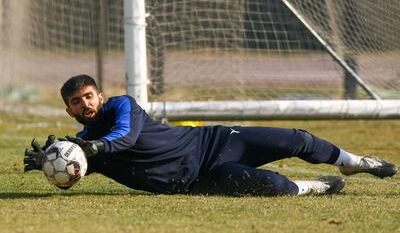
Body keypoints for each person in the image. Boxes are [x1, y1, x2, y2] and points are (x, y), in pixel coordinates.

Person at [24, 74, 397, 196]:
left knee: (298, 139)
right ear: (69, 110)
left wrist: (91, 146)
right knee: (276, 187)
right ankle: (317, 187)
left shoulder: (124, 106)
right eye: (77, 102)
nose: (85, 104)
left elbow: (126, 135)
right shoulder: (82, 149)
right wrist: (49, 162)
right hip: (195, 179)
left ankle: (354, 163)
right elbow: (72, 176)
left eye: (88, 96)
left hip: (214, 142)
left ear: (99, 96)